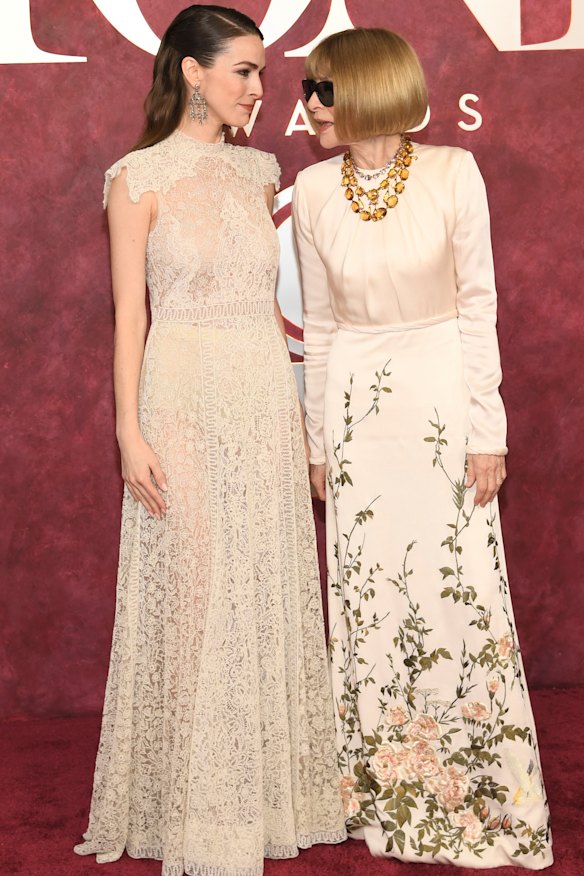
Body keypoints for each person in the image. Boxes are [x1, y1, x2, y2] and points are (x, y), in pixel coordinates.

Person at [74, 6, 346, 874]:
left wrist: (307, 412)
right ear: (191, 72)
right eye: (243, 71)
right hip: (180, 392)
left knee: (262, 582)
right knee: (194, 594)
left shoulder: (262, 171)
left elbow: (267, 303)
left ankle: (263, 794)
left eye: (262, 73)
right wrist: (128, 430)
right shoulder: (136, 177)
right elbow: (129, 316)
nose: (262, 90)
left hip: (262, 390)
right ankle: (193, 803)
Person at [292, 27, 552, 869]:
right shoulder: (312, 189)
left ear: (362, 89)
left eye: (319, 87)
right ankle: (381, 789)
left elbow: (479, 306)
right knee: (370, 599)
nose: (306, 103)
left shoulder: (452, 173)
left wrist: (489, 430)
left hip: (442, 402)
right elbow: (323, 328)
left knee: (457, 589)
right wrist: (319, 442)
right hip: (359, 419)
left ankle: (480, 788)